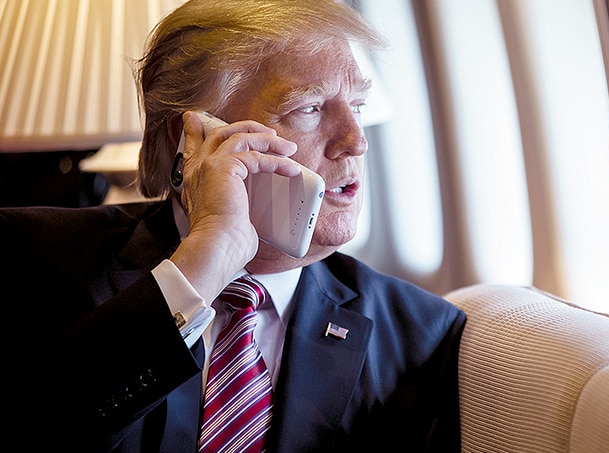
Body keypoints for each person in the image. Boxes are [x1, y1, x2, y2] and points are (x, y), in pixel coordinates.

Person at [3, 1, 466, 451]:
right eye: (308, 108)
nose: (356, 141)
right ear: (193, 137)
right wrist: (209, 259)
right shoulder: (33, 253)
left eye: (358, 106)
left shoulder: (421, 332)